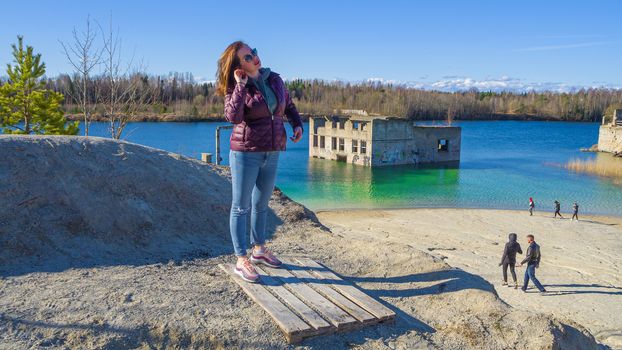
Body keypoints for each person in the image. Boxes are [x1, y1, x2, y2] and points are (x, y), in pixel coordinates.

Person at [216, 41, 304, 283]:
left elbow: (290, 105)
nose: (254, 57)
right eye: (247, 57)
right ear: (237, 67)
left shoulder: (274, 78)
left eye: (253, 52)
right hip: (246, 152)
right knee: (241, 206)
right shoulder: (235, 87)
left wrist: (297, 124)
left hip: (273, 150)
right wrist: (242, 86)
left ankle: (259, 250)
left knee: (262, 204)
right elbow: (233, 117)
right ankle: (241, 259)